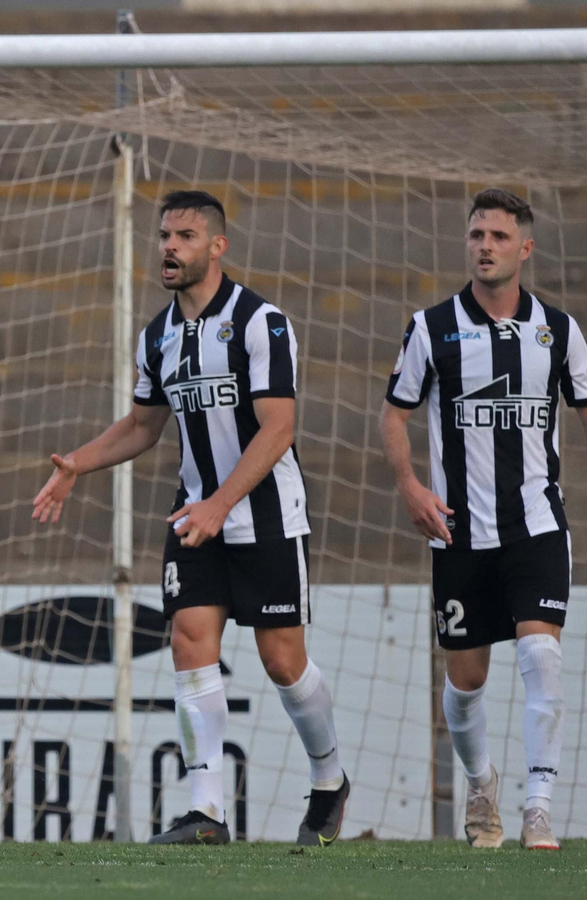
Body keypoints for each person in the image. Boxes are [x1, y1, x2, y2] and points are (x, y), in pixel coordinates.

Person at [34, 190, 349, 847]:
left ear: (217, 246)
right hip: (196, 518)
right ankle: (206, 812)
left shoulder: (262, 322)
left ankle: (329, 780)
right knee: (188, 639)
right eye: (164, 237)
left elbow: (279, 428)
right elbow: (143, 425)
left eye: (184, 236)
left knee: (282, 661)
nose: (169, 248)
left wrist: (221, 504)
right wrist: (77, 466)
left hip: (266, 517)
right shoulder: (158, 336)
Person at [380, 187, 587, 850]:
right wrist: (411, 486)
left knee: (540, 653)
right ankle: (482, 784)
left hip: (537, 524)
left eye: (499, 236)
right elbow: (393, 416)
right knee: (466, 679)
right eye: (477, 235)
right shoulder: (431, 328)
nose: (485, 246)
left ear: (524, 249)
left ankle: (538, 806)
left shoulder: (558, 330)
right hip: (458, 531)